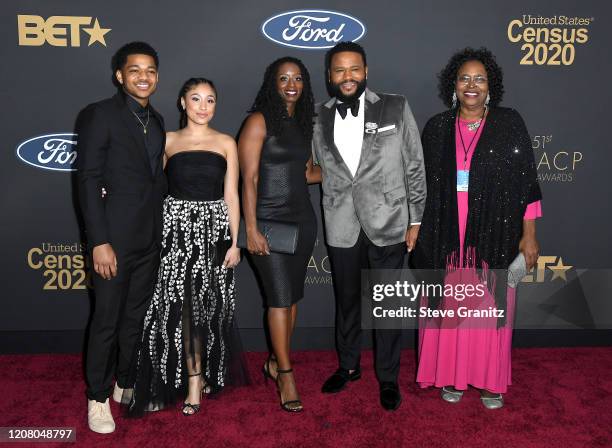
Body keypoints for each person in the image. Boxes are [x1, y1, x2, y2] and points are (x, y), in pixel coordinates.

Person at [414, 47, 542, 409]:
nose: (472, 85)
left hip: (493, 238)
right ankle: (452, 376)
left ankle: (490, 382)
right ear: (453, 85)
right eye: (465, 78)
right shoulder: (437, 127)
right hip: (445, 236)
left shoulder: (508, 123)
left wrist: (529, 235)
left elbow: (527, 183)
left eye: (480, 79)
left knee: (488, 310)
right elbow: (420, 185)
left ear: (491, 86)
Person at [312, 41, 426, 411]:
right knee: (346, 302)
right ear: (329, 76)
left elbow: (414, 165)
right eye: (340, 70)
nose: (348, 77)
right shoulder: (317, 117)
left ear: (366, 72)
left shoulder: (396, 105)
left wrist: (416, 216)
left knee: (387, 305)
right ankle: (348, 366)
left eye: (354, 69)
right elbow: (313, 167)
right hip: (341, 222)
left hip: (389, 220)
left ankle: (389, 378)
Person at [128, 78, 243, 417]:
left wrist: (236, 242)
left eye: (210, 99)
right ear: (182, 102)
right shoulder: (167, 141)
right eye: (196, 98)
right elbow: (150, 186)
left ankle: (202, 371)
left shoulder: (226, 142)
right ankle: (193, 380)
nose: (203, 106)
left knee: (210, 309)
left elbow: (232, 195)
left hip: (214, 230)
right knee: (184, 310)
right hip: (175, 232)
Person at [76, 41, 165, 433]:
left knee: (135, 319)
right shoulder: (100, 115)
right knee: (107, 321)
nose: (143, 77)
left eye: (150, 70)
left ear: (157, 76)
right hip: (112, 240)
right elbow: (88, 180)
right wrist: (99, 240)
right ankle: (97, 398)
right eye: (135, 70)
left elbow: (155, 181)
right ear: (120, 75)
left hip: (149, 240)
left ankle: (124, 384)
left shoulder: (158, 120)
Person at [238, 57, 319, 413]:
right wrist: (251, 227)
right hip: (268, 222)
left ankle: (274, 360)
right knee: (279, 299)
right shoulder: (258, 121)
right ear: (272, 83)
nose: (291, 84)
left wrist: (352, 168)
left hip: (303, 220)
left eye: (297, 78)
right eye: (284, 78)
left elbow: (308, 173)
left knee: (294, 298)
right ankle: (285, 373)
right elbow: (249, 178)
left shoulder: (302, 124)